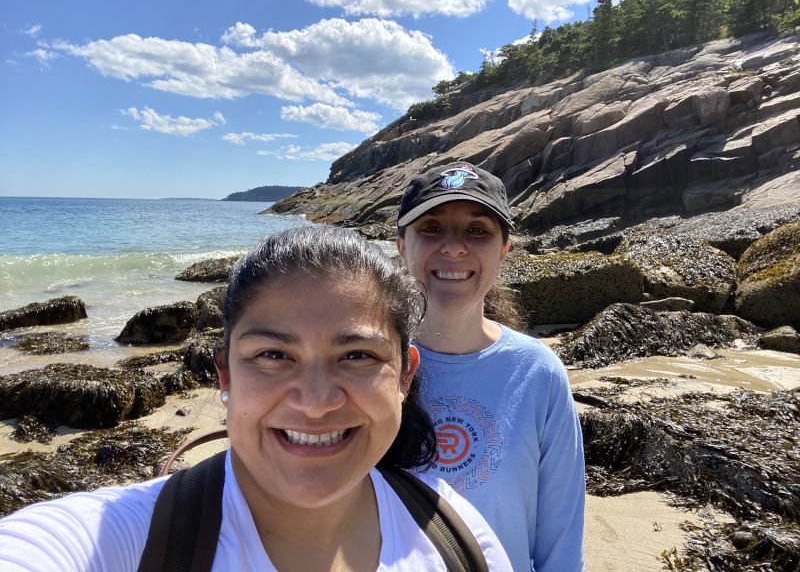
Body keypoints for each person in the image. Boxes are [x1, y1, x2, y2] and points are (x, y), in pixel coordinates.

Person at [0, 226, 512, 572]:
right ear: (225, 373)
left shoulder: (457, 537)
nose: (315, 402)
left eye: (356, 355)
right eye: (273, 355)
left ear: (404, 375)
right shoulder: (118, 542)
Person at [396, 161, 586, 572]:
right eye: (431, 228)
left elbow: (561, 546)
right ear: (400, 246)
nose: (453, 247)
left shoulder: (538, 372)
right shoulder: (370, 364)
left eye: (478, 230)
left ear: (504, 250)